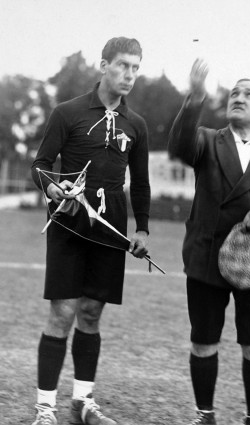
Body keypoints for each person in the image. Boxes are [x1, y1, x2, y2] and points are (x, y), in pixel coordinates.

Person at [168, 59, 250, 425]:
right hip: (207, 257)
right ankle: (204, 415)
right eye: (234, 93)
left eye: (249, 94)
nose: (238, 98)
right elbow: (178, 144)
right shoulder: (208, 140)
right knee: (203, 341)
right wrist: (194, 98)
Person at [30, 37, 150, 425]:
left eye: (135, 67)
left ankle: (83, 402)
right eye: (122, 66)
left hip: (110, 226)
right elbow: (40, 164)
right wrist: (53, 188)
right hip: (69, 220)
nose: (129, 74)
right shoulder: (67, 113)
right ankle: (45, 408)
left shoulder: (137, 124)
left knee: (92, 312)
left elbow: (142, 183)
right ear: (103, 66)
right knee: (63, 312)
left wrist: (143, 228)